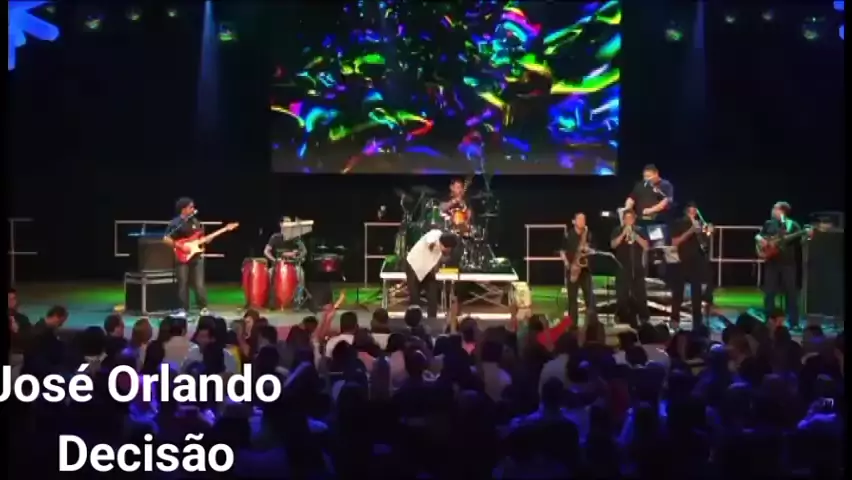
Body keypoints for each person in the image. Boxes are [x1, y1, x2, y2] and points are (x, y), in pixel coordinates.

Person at [755, 201, 809, 329]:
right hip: (771, 263)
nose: (772, 210)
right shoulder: (769, 223)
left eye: (775, 208)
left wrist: (807, 236)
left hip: (788, 264)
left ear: (782, 211)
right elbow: (758, 236)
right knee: (769, 293)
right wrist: (762, 240)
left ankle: (793, 323)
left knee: (791, 293)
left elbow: (801, 242)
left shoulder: (793, 225)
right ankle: (768, 320)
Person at [670, 202, 715, 328]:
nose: (694, 211)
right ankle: (674, 320)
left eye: (695, 209)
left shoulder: (700, 224)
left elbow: (705, 244)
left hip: (697, 261)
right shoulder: (679, 223)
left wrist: (709, 232)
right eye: (691, 209)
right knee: (678, 292)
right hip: (682, 260)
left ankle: (697, 322)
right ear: (686, 210)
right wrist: (690, 231)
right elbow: (675, 242)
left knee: (697, 293)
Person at [163, 197, 209, 314]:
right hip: (182, 257)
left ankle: (203, 308)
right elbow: (166, 239)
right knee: (183, 284)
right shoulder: (175, 223)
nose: (193, 209)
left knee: (199, 284)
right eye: (191, 207)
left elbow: (200, 237)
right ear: (183, 209)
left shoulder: (196, 222)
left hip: (196, 257)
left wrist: (204, 243)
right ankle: (183, 309)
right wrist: (180, 246)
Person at [405, 229, 459, 319]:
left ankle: (432, 320)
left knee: (433, 296)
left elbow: (438, 259)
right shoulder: (435, 234)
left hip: (428, 270)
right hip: (413, 266)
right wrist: (433, 245)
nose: (448, 250)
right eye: (447, 248)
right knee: (415, 298)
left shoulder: (444, 250)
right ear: (442, 243)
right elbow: (430, 242)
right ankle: (414, 321)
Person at [610, 209, 651, 327]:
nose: (628, 221)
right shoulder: (617, 230)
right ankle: (622, 317)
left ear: (634, 219)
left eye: (630, 219)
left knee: (640, 295)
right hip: (622, 267)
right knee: (622, 295)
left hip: (637, 268)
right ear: (623, 220)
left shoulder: (640, 230)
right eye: (626, 219)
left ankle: (643, 319)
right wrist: (623, 234)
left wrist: (636, 236)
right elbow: (613, 245)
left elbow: (646, 246)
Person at [560, 212, 596, 325]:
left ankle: (592, 323)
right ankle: (572, 324)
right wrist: (567, 264)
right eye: (579, 219)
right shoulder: (568, 235)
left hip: (585, 270)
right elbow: (562, 251)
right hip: (572, 269)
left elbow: (594, 250)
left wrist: (588, 249)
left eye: (583, 219)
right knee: (572, 299)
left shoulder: (588, 234)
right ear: (574, 221)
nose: (582, 222)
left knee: (589, 298)